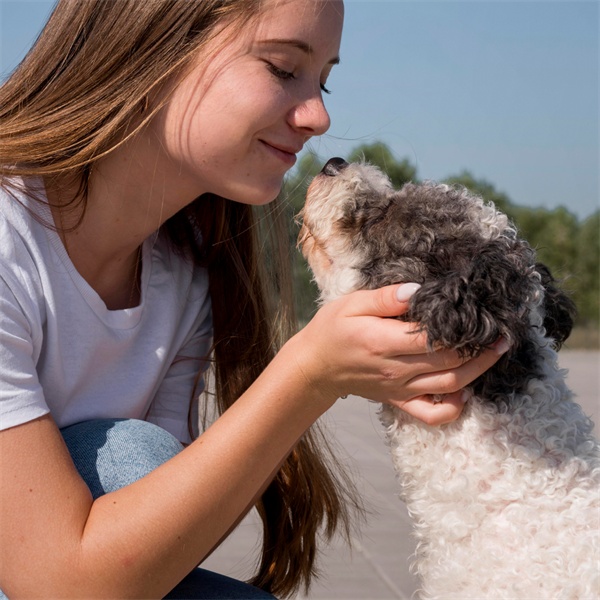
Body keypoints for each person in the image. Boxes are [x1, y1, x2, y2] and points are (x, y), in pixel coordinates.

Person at [0, 0, 509, 598]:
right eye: (281, 67)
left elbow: (153, 542)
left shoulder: (182, 272)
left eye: (323, 80)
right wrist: (308, 375)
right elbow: (62, 582)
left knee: (136, 463)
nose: (320, 116)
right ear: (154, 48)